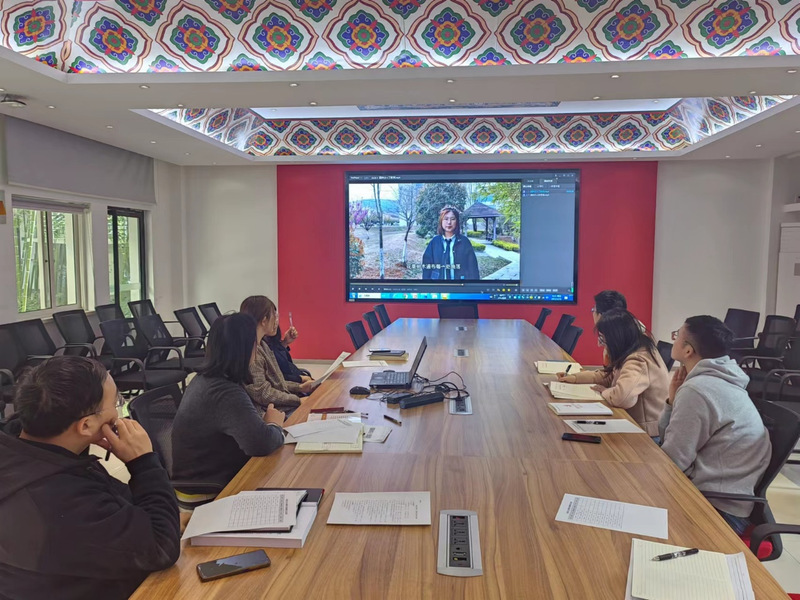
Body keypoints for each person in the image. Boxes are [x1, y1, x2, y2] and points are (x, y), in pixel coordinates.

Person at [0, 356, 180, 600]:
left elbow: (126, 505)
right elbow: (161, 546)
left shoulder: (28, 449)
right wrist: (143, 462)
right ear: (85, 425)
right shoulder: (57, 498)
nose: (118, 410)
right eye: (115, 402)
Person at [660, 315, 771, 534]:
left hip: (716, 508)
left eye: (677, 335)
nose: (673, 339)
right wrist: (672, 402)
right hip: (728, 499)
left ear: (688, 350)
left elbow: (672, 462)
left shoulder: (698, 390)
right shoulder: (723, 379)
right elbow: (670, 445)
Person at [172, 313, 286, 498]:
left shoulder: (206, 378)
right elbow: (261, 444)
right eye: (255, 343)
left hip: (209, 478)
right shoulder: (224, 392)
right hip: (209, 492)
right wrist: (274, 424)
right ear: (245, 349)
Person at [558, 309, 668, 436]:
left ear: (616, 338)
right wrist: (575, 378)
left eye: (603, 339)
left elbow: (622, 398)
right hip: (633, 423)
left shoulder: (638, 359)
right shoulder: (631, 348)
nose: (600, 345)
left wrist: (604, 391)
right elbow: (609, 376)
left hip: (647, 433)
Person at [240, 296, 319, 413]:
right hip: (275, 412)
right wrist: (297, 400)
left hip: (282, 404)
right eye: (274, 316)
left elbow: (276, 382)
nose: (277, 321)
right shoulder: (253, 354)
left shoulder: (262, 344)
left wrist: (300, 387)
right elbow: (264, 394)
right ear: (264, 320)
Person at [422, 206, 479, 281]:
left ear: (457, 221)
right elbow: (426, 268)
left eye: (452, 219)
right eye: (446, 219)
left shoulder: (464, 242)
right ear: (441, 221)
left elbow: (473, 268)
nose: (449, 222)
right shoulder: (434, 242)